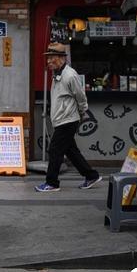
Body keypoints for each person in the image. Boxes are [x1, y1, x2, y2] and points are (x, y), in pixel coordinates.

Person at [35, 42, 102, 192]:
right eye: (48, 58)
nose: (48, 61)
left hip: (68, 119)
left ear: (60, 58)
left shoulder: (70, 75)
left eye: (51, 58)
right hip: (62, 119)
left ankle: (52, 183)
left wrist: (82, 112)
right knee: (71, 150)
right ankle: (91, 175)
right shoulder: (57, 74)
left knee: (54, 150)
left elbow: (81, 96)